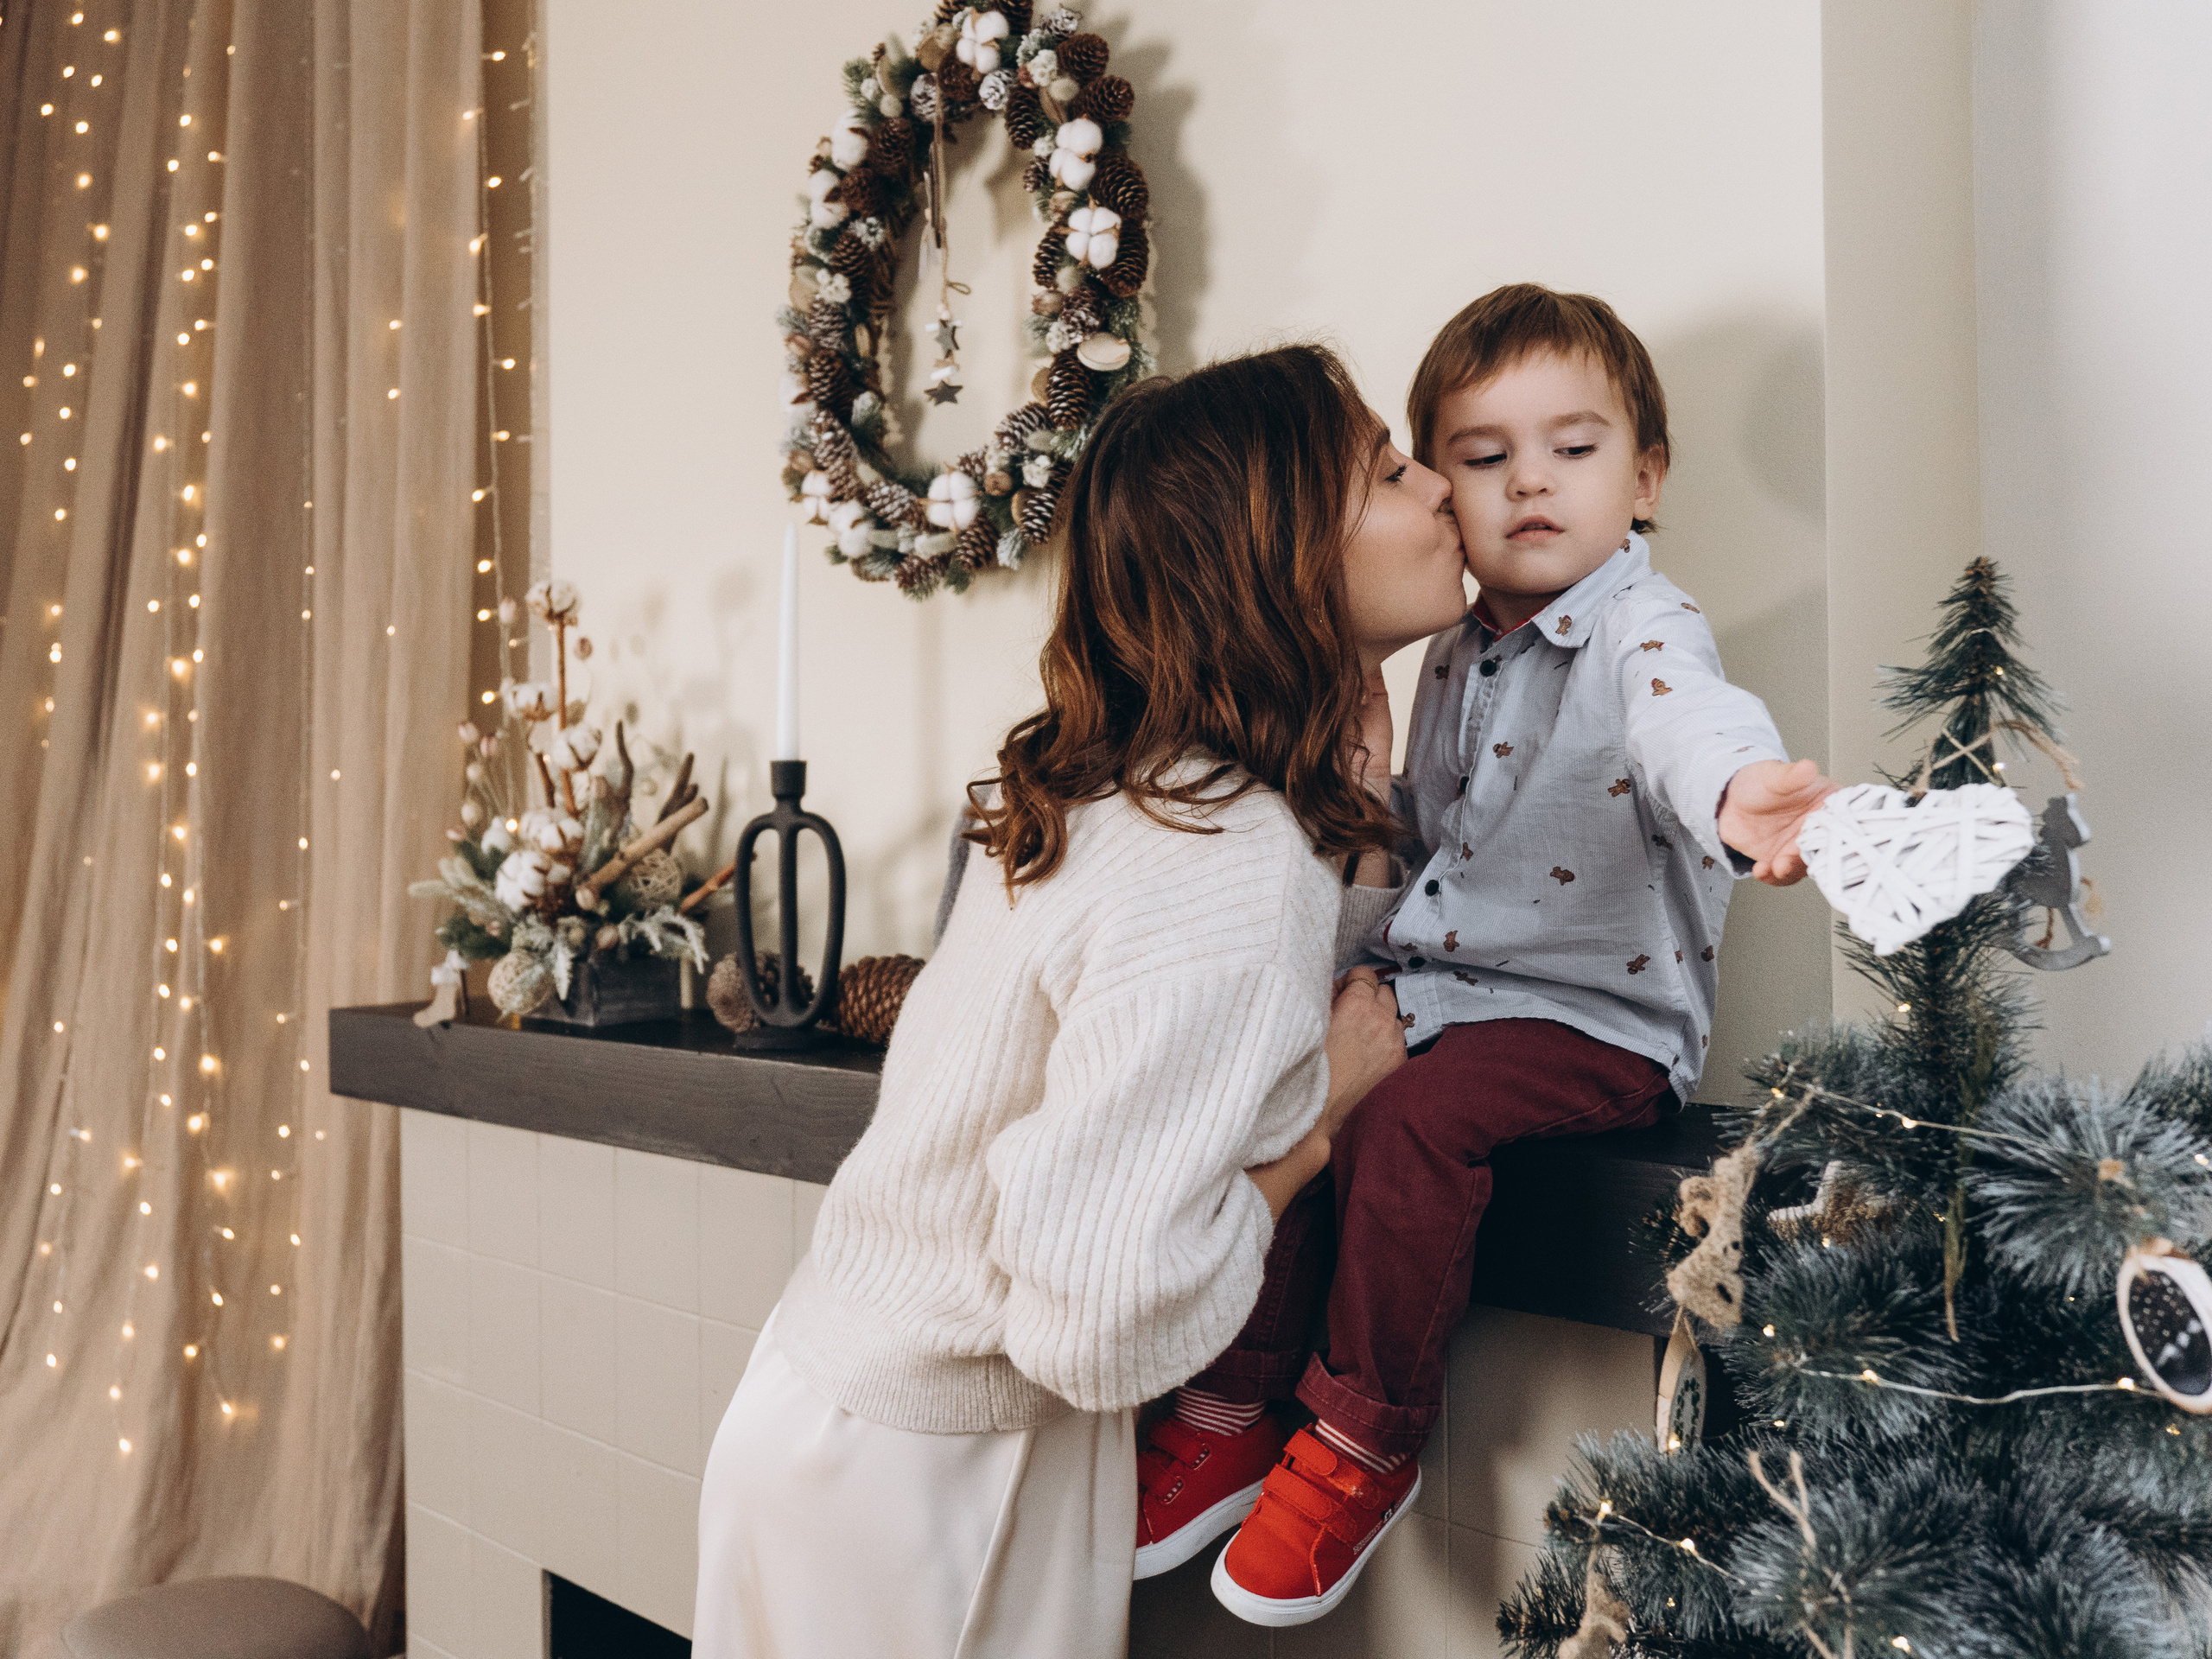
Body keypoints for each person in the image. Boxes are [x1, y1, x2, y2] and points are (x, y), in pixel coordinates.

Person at [691, 342, 1471, 1659]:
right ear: (1281, 562)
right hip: (934, 1482)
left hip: (839, 1413)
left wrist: (1355, 815)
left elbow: (1204, 1026)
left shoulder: (1145, 793)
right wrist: (1318, 1132)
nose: (1444, 486)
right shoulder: (1223, 859)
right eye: (1391, 471)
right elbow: (1098, 1322)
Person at [1135, 285, 1838, 1628]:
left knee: (1406, 1127)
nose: (1530, 484)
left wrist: (1743, 792)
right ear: (1440, 483)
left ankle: (1360, 1439)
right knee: (1297, 1081)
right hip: (1447, 993)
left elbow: (1691, 720)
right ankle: (1232, 1400)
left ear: (1646, 474)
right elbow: (1434, 838)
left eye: (1573, 450)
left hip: (1594, 1022)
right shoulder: (1451, 652)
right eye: (1480, 454)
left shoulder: (1641, 625)